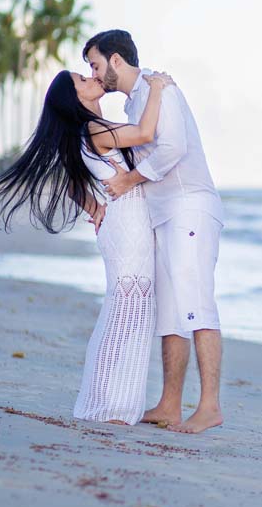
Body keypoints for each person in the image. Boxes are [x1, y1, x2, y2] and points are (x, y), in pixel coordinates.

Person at [0, 68, 174, 425]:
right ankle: (108, 406)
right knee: (127, 311)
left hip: (124, 225)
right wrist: (157, 88)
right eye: (82, 80)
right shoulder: (94, 130)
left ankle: (110, 403)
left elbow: (70, 183)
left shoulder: (87, 132)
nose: (91, 79)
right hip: (127, 228)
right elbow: (145, 132)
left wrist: (94, 208)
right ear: (74, 98)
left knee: (128, 310)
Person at [82, 29, 226, 434]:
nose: (93, 72)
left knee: (197, 303)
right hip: (164, 214)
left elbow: (173, 147)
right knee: (170, 313)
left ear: (115, 60)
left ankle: (210, 405)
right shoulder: (136, 104)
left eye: (95, 64)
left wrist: (128, 181)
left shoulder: (160, 90)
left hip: (190, 207)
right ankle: (169, 404)